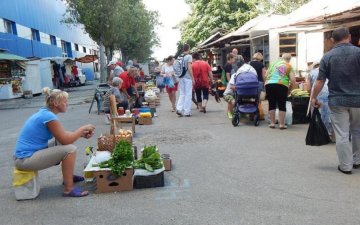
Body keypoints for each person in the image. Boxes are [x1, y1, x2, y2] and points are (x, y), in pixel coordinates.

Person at [14, 87, 95, 197]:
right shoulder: (48, 116)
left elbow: (63, 136)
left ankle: (68, 177)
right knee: (70, 149)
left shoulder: (45, 113)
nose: (67, 104)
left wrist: (80, 134)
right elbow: (65, 139)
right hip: (24, 160)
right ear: (56, 103)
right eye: (65, 102)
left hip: (25, 156)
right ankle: (68, 189)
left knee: (65, 143)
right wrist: (81, 130)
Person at [311, 27, 360, 175]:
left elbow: (320, 80)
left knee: (342, 134)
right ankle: (357, 160)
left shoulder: (327, 56)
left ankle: (346, 166)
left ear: (333, 40)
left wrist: (313, 97)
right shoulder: (358, 53)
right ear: (349, 37)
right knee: (357, 130)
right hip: (358, 100)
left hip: (337, 101)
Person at [265, 53, 296, 129]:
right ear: (289, 59)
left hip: (269, 84)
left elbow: (266, 75)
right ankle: (281, 124)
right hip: (281, 85)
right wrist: (289, 89)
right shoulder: (288, 65)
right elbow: (293, 80)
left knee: (271, 103)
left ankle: (272, 123)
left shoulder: (273, 64)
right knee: (282, 104)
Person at [305, 61, 333, 139]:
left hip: (318, 93)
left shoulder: (312, 72)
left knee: (319, 113)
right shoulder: (330, 70)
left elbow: (308, 87)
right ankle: (330, 133)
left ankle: (321, 133)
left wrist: (312, 95)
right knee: (330, 114)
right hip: (332, 92)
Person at [176, 44, 195, 117]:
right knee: (188, 94)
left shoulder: (179, 56)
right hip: (187, 78)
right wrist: (193, 78)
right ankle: (187, 112)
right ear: (188, 48)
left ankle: (179, 109)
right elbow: (189, 68)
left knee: (182, 93)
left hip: (181, 77)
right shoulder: (189, 56)